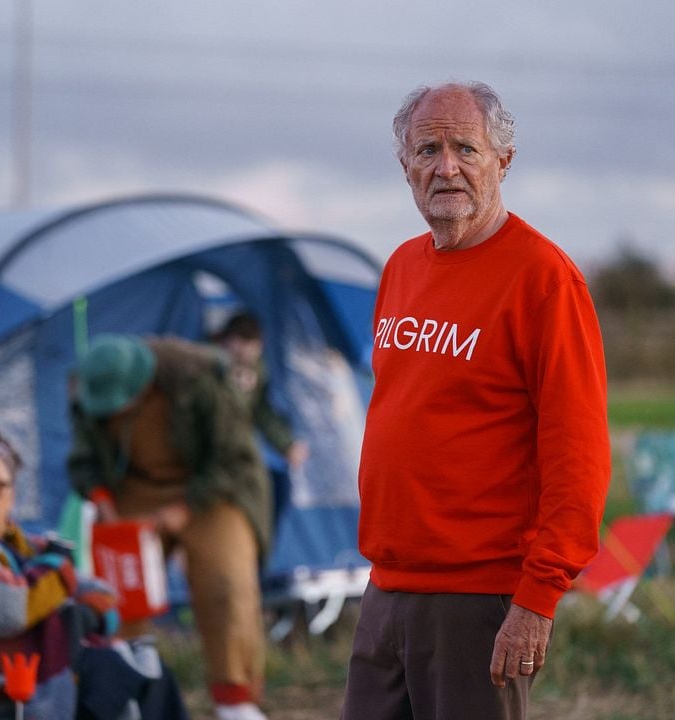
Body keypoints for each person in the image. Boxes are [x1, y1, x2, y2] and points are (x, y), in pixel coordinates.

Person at [340, 82, 611, 719]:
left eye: (466, 147)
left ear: (504, 160)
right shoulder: (401, 267)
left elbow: (580, 457)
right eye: (427, 149)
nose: (446, 167)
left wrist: (538, 598)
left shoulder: (544, 280)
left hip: (478, 601)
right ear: (404, 165)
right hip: (385, 590)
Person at [0, 424, 189, 720]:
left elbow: (105, 596)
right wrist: (58, 570)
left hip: (33, 673)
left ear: (11, 496)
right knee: (115, 677)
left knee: (151, 672)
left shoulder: (22, 545)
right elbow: (10, 608)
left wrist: (84, 609)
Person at [67, 333, 271, 720]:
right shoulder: (89, 391)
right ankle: (124, 690)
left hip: (211, 491)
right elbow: (83, 462)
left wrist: (184, 507)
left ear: (143, 384)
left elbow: (233, 459)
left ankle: (234, 697)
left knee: (225, 583)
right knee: (116, 587)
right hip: (135, 490)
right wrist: (104, 504)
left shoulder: (202, 378)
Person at [211, 311, 309, 468]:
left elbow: (261, 410)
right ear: (226, 341)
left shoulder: (257, 372)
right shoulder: (204, 364)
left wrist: (286, 444)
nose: (244, 357)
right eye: (239, 351)